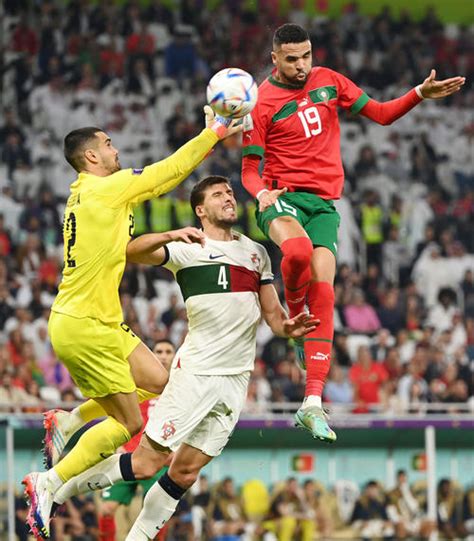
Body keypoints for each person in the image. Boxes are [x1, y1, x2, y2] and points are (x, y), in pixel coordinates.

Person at [47, 175, 317, 540]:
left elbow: (273, 316)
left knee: (185, 473)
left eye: (230, 193)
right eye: (218, 194)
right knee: (146, 463)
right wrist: (171, 235)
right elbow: (130, 250)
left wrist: (289, 328)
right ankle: (56, 490)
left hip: (236, 380)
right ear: (200, 210)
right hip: (197, 373)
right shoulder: (191, 247)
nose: (229, 198)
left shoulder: (257, 253)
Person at [22, 107, 241, 539]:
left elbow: (122, 248)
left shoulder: (90, 197)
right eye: (107, 144)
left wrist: (167, 236)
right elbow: (167, 173)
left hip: (97, 320)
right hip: (85, 325)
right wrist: (212, 133)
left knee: (159, 381)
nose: (115, 149)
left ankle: (66, 423)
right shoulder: (107, 189)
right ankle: (47, 484)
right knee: (128, 424)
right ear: (90, 157)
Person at [241, 23, 465, 441]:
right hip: (282, 198)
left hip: (324, 205)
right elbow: (249, 171)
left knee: (325, 290)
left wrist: (418, 94)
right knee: (299, 254)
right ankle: (294, 316)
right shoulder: (261, 102)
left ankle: (312, 402)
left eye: (306, 55)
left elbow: (380, 114)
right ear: (274, 59)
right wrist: (261, 195)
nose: (301, 65)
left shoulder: (329, 80)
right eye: (291, 59)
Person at [98, 340, 176, 541]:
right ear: (151, 355)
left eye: (168, 351)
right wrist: (119, 444)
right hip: (130, 456)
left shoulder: (180, 387)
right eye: (159, 351)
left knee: (156, 516)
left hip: (160, 459)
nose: (163, 355)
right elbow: (118, 411)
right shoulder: (136, 381)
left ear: (175, 355)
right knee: (106, 510)